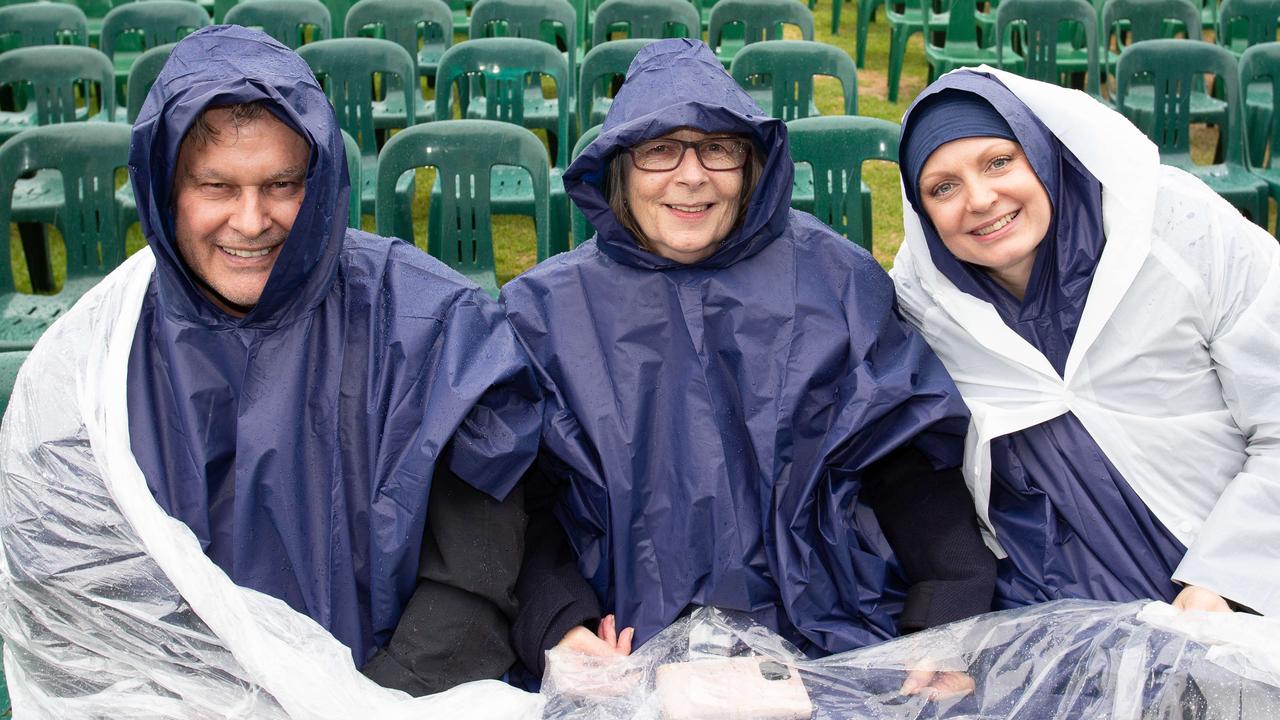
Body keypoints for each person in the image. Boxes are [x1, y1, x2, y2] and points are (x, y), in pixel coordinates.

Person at [0, 25, 544, 710]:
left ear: (318, 185)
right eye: (216, 186)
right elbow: (75, 602)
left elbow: (470, 580)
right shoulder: (94, 366)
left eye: (281, 184)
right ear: (167, 192)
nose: (251, 221)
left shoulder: (427, 323)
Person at [502, 39, 997, 689]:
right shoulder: (543, 312)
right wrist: (558, 622)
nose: (691, 175)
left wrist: (947, 611)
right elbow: (517, 501)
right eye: (659, 149)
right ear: (618, 167)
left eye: (717, 147)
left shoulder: (834, 280)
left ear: (752, 163)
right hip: (622, 651)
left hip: (823, 636)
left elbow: (904, 465)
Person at [891, 67, 1279, 618]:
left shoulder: (1177, 232)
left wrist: (1223, 581)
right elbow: (915, 460)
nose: (979, 199)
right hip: (1045, 604)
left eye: (1000, 161)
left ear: (1042, 152)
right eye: (943, 187)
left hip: (1231, 578)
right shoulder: (927, 297)